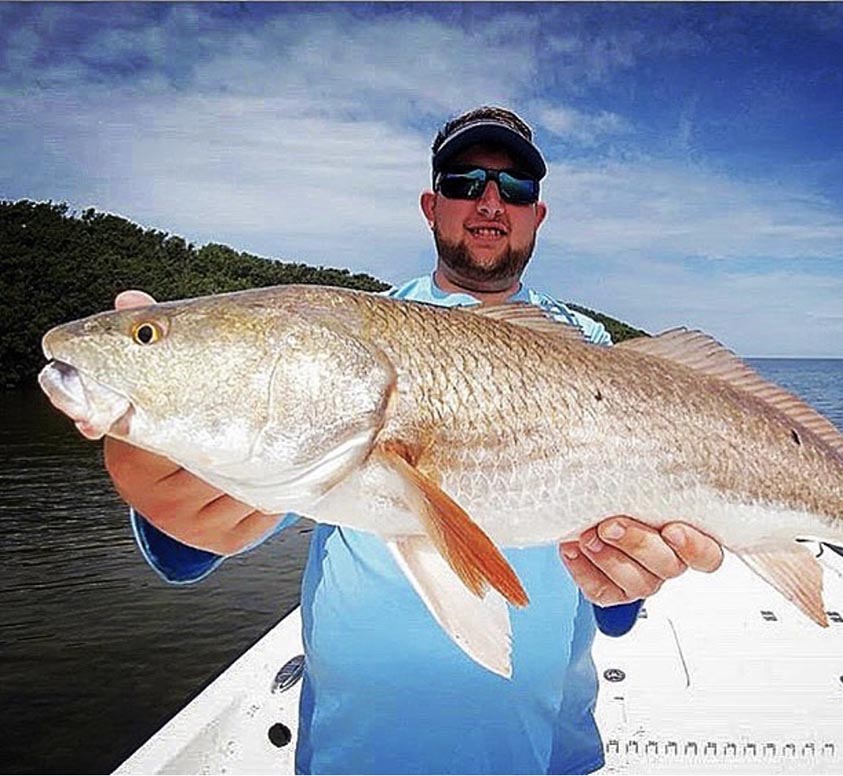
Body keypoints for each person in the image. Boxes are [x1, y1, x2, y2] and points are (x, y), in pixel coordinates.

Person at [106, 106, 723, 774]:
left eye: (514, 189)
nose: (490, 203)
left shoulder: (597, 354)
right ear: (432, 205)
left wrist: (625, 582)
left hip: (546, 754)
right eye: (465, 182)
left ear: (537, 214)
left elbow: (615, 611)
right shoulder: (343, 340)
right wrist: (172, 500)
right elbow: (196, 549)